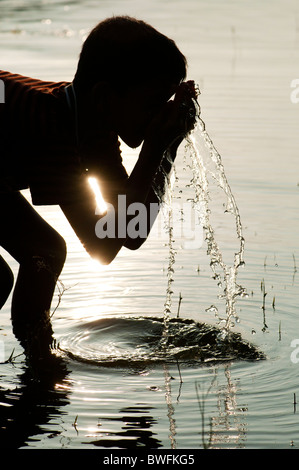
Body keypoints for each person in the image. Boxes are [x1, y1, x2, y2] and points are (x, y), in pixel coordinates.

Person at [0, 16, 198, 361]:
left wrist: (167, 147)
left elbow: (129, 232)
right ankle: (41, 362)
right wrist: (154, 148)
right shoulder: (51, 124)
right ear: (106, 96)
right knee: (45, 251)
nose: (157, 117)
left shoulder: (92, 125)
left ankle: (33, 371)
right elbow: (104, 245)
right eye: (153, 105)